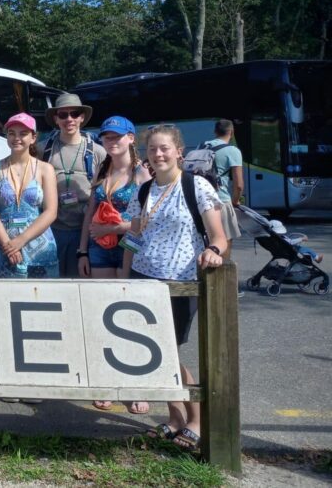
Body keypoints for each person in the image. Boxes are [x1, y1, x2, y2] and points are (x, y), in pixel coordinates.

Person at [122, 124, 228, 452]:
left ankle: (195, 420)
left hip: (179, 283)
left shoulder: (196, 186)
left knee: (169, 352)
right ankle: (175, 418)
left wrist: (214, 251)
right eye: (153, 149)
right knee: (156, 356)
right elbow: (135, 238)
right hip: (143, 281)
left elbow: (219, 236)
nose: (159, 154)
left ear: (178, 151)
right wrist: (124, 281)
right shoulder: (144, 190)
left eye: (165, 148)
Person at [77, 116, 151, 413]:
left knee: (129, 317)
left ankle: (134, 387)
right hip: (98, 250)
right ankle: (107, 382)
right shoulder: (101, 169)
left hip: (126, 250)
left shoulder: (143, 175)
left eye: (118, 136)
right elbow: (89, 215)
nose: (112, 141)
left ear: (131, 138)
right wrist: (83, 250)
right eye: (107, 137)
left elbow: (146, 221)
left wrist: (113, 230)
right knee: (103, 315)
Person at [37, 93, 106, 278]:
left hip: (84, 231)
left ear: (82, 117)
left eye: (74, 114)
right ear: (55, 118)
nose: (69, 119)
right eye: (63, 114)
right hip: (51, 229)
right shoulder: (42, 149)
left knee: (81, 287)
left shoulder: (98, 152)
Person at [0, 113, 59, 279]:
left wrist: (21, 240)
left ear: (33, 137)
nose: (16, 138)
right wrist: (7, 245)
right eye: (11, 133)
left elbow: (51, 211)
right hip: (3, 245)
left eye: (23, 133)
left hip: (39, 247)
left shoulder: (45, 169)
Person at [202, 119, 244, 260]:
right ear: (231, 133)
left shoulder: (202, 146)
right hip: (222, 199)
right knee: (224, 239)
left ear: (215, 132)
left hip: (200, 200)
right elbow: (239, 184)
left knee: (204, 239)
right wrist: (235, 201)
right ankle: (222, 273)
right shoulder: (233, 151)